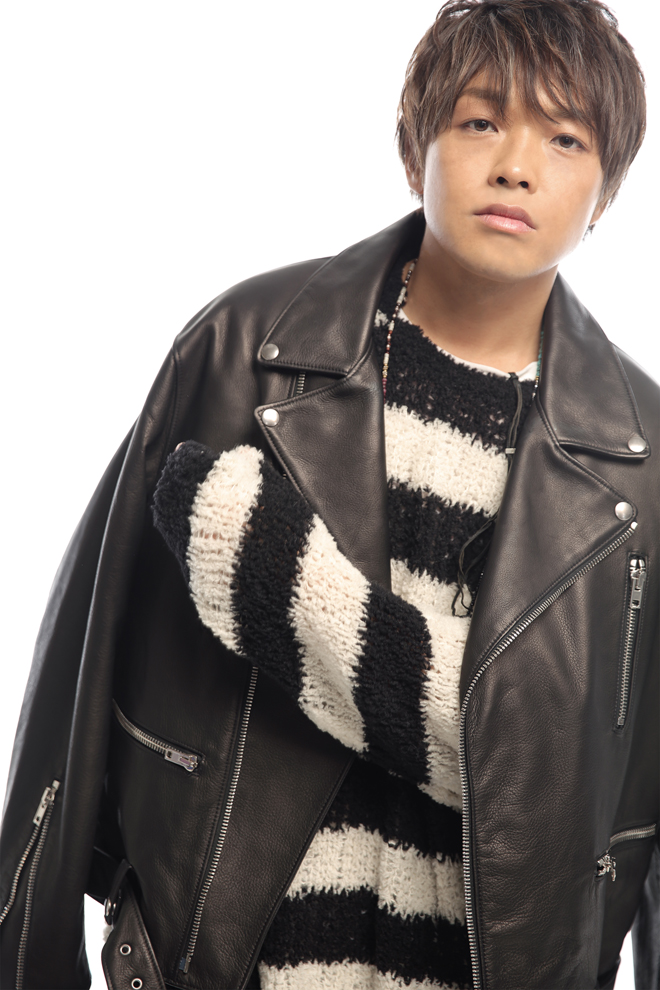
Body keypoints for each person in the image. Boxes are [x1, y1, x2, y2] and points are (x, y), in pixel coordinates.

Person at [1, 0, 657, 987]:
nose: (517, 165)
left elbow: (616, 783)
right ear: (414, 147)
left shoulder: (641, 462)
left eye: (566, 139)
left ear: (607, 189)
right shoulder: (246, 348)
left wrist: (277, 582)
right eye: (481, 121)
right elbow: (79, 678)